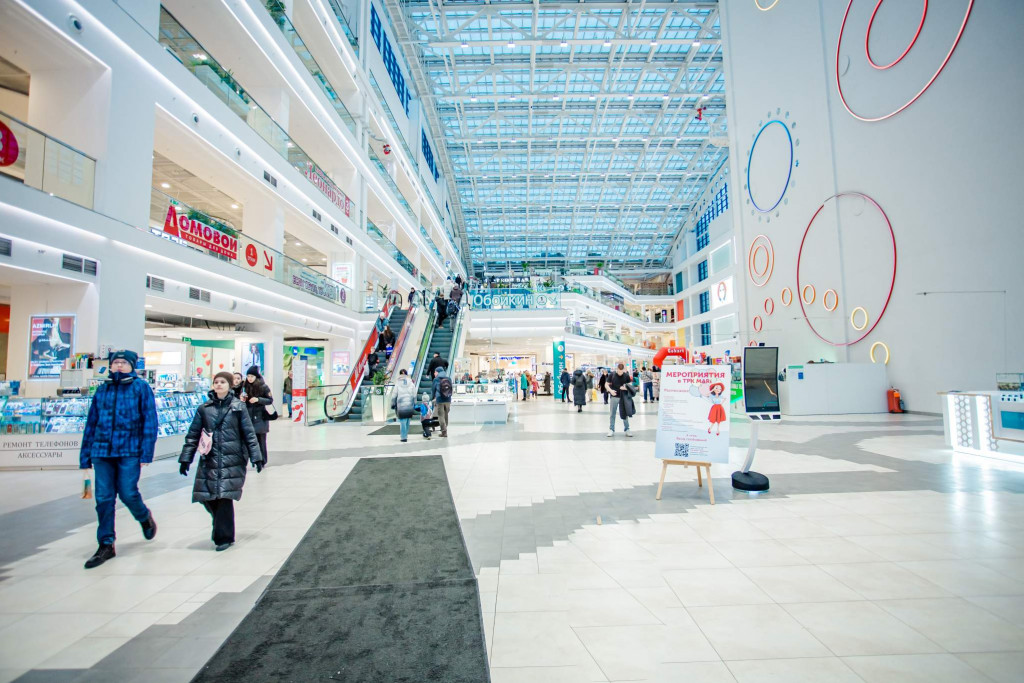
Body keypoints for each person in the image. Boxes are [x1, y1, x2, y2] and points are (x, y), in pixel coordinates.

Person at [79, 349, 159, 569]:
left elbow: (150, 420)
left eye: (124, 362)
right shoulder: (102, 389)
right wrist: (85, 456)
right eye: (116, 362)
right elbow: (91, 423)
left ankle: (144, 516)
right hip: (101, 451)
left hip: (129, 450)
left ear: (132, 366)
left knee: (128, 492)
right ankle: (106, 543)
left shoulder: (140, 388)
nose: (119, 366)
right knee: (103, 498)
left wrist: (146, 452)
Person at [179, 371, 263, 551]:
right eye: (216, 382)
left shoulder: (238, 407)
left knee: (224, 497)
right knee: (208, 496)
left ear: (230, 385)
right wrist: (186, 458)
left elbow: (249, 433)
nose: (219, 384)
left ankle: (223, 537)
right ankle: (220, 525)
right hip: (209, 458)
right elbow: (193, 435)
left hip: (232, 458)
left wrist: (256, 457)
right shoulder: (204, 409)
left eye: (223, 382)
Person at [241, 366, 274, 465]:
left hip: (260, 417)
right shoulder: (244, 387)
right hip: (248, 417)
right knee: (250, 440)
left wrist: (258, 399)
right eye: (248, 376)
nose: (249, 378)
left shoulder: (263, 387)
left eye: (252, 376)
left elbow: (270, 400)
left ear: (256, 376)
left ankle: (262, 460)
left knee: (261, 440)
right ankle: (254, 460)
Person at [607, 363, 635, 437]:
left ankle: (627, 429)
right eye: (619, 371)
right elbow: (606, 384)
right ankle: (611, 429)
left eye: (621, 372)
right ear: (617, 369)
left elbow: (630, 386)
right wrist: (610, 391)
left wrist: (625, 388)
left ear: (624, 370)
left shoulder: (626, 375)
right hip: (614, 397)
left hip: (623, 397)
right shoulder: (612, 375)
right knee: (612, 414)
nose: (620, 373)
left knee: (624, 413)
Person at [393, 369, 417, 442]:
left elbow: (394, 394)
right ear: (406, 374)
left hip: (401, 404)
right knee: (407, 421)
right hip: (409, 404)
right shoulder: (411, 383)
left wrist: (393, 403)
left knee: (402, 421)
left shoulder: (397, 383)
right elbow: (414, 394)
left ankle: (403, 437)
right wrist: (415, 403)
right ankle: (405, 435)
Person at [432, 366, 453, 437]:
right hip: (448, 399)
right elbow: (451, 388)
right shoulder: (448, 378)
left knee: (440, 416)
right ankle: (445, 428)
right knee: (446, 414)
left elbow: (433, 390)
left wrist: (432, 398)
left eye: (435, 372)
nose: (434, 373)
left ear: (438, 372)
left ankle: (444, 432)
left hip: (440, 399)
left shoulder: (436, 379)